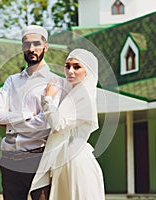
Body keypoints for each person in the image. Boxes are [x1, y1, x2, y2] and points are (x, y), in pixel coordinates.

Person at [0, 25, 63, 200]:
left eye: (36, 44)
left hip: (37, 159)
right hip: (8, 159)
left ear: (46, 46)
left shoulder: (55, 82)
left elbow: (44, 122)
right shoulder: (12, 81)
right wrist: (26, 117)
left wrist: (10, 121)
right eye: (26, 44)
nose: (31, 49)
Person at [30, 49, 105, 200]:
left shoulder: (85, 97)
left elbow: (58, 124)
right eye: (67, 66)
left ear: (87, 71)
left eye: (77, 67)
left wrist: (47, 99)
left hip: (76, 163)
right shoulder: (72, 93)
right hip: (63, 161)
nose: (70, 71)